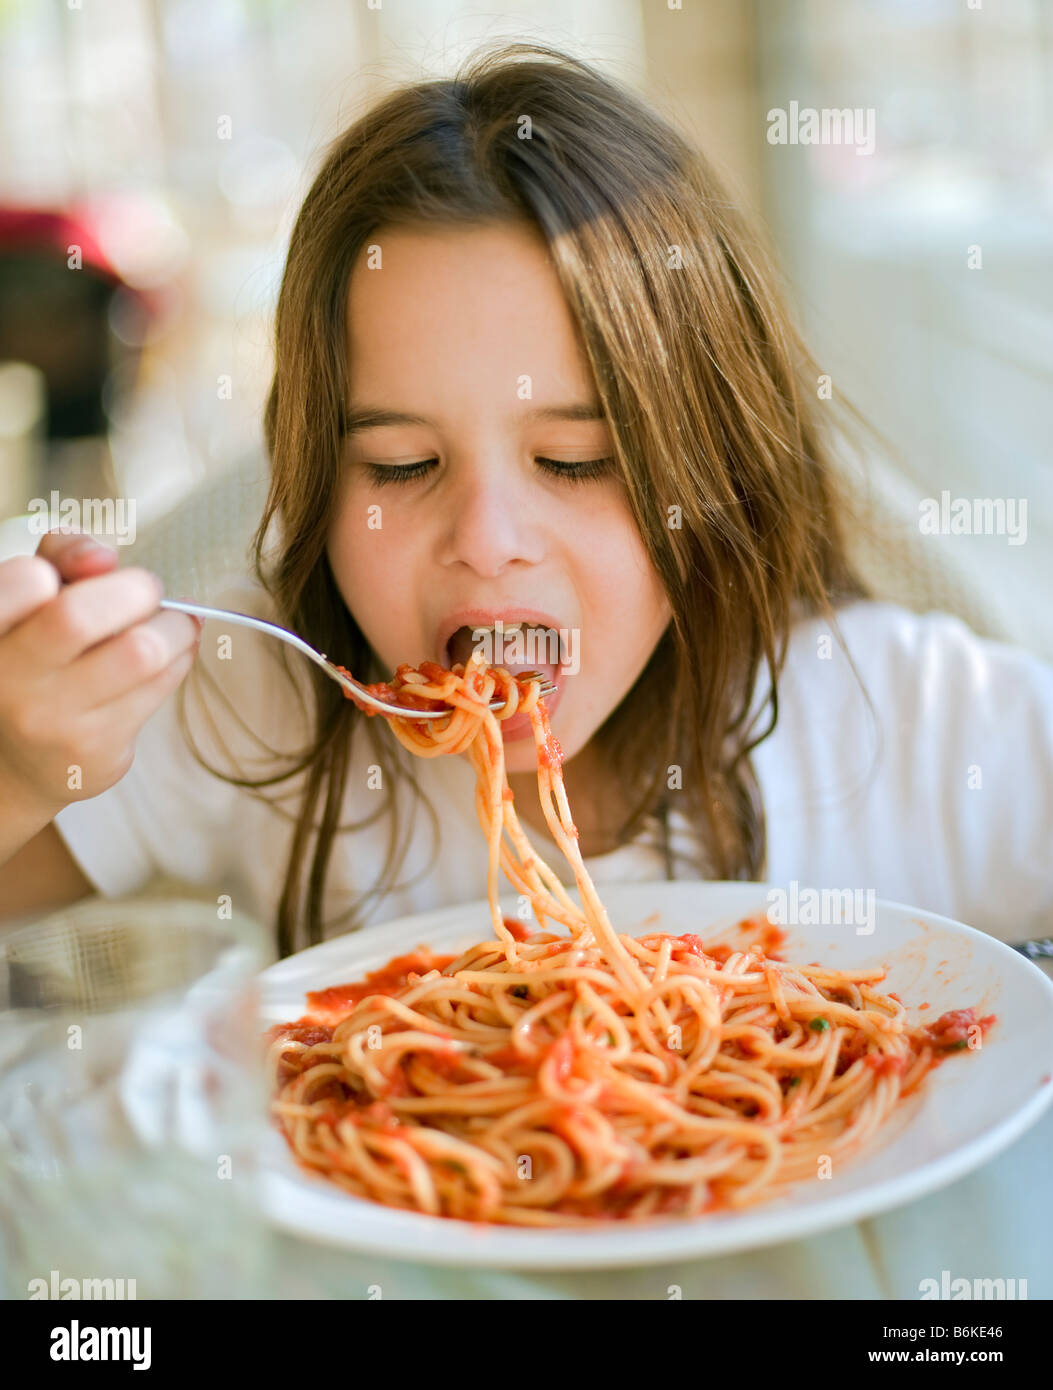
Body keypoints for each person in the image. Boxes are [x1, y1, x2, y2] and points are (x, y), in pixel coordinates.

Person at [1, 43, 1050, 959]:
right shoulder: (264, 697)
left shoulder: (904, 721)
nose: (487, 541)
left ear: (717, 469)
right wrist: (23, 762)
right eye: (403, 466)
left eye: (578, 461)